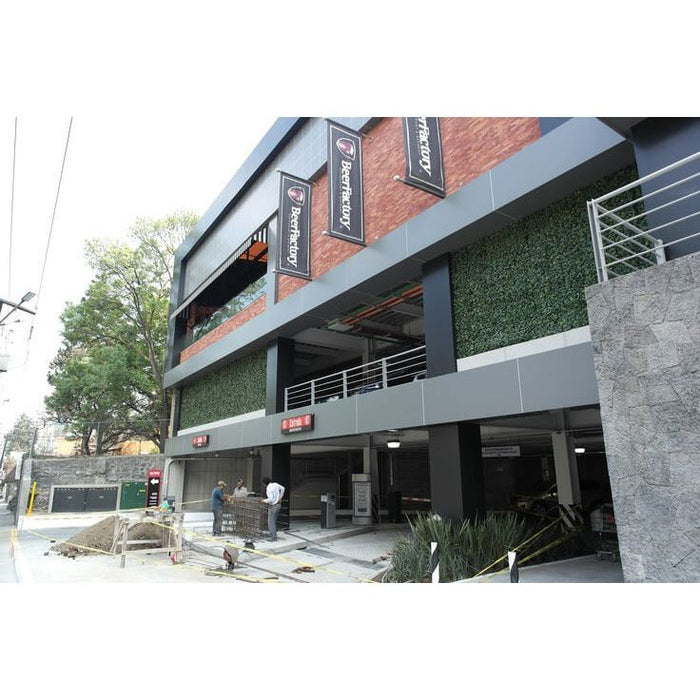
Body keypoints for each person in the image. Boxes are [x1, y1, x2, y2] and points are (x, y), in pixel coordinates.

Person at [261, 477, 285, 541]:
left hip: (273, 506)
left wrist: (263, 501)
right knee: (273, 521)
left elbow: (270, 499)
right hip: (278, 505)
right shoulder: (275, 484)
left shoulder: (268, 489)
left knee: (271, 522)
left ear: (264, 484)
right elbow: (283, 488)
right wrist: (280, 497)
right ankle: (273, 534)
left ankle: (273, 537)